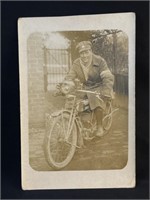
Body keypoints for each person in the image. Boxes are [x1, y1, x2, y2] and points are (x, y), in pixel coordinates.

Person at [62, 41, 114, 137]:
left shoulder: (100, 61)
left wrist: (106, 90)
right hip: (86, 87)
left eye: (86, 52)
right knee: (75, 102)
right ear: (79, 54)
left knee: (96, 100)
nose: (84, 55)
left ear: (91, 51)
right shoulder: (76, 63)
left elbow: (107, 77)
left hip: (99, 86)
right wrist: (64, 87)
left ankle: (99, 126)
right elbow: (70, 76)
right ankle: (80, 124)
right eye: (82, 53)